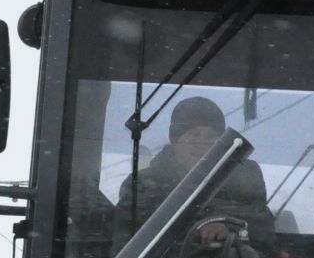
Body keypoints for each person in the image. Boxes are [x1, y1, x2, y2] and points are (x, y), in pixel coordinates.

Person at [114, 96, 276, 250]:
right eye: (194, 135)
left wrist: (229, 229)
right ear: (175, 139)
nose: (201, 143)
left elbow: (264, 231)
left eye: (211, 137)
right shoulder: (143, 184)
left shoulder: (244, 182)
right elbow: (123, 243)